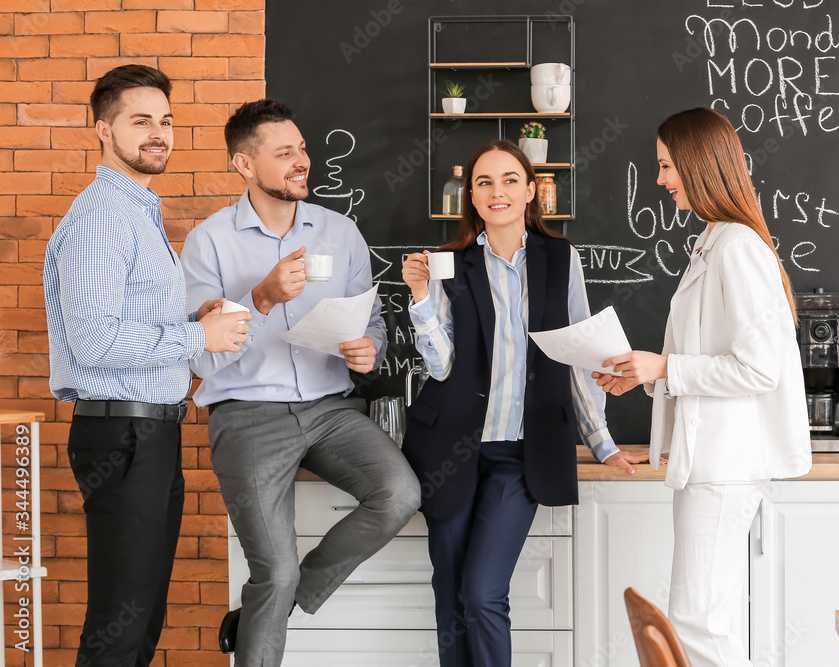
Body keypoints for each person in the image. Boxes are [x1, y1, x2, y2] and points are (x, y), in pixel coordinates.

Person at [180, 99, 421, 666]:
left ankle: (282, 598)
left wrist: (370, 349)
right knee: (273, 569)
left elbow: (372, 322)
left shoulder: (341, 234)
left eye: (303, 149)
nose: (301, 162)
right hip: (246, 416)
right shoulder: (208, 242)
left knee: (399, 495)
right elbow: (199, 361)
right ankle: (279, 591)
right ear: (244, 164)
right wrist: (260, 298)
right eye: (284, 153)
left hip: (332, 409)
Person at [401, 139, 653, 666]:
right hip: (450, 446)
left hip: (522, 454)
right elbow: (442, 364)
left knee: (483, 591)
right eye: (485, 182)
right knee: (449, 593)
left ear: (531, 190)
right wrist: (423, 301)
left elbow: (580, 356)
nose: (498, 192)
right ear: (470, 195)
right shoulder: (450, 263)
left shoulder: (559, 258)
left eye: (510, 180)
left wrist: (602, 443)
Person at [43, 64, 247, 667]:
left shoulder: (138, 209)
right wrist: (195, 335)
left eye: (165, 121)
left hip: (148, 429)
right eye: (141, 121)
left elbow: (127, 323)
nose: (159, 134)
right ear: (101, 129)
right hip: (122, 431)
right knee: (120, 625)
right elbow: (93, 342)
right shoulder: (104, 212)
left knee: (141, 619)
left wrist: (195, 320)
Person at [593, 107, 812, 667]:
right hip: (709, 462)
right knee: (704, 620)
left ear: (699, 165)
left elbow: (759, 369)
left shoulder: (737, 248)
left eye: (667, 166)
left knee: (700, 626)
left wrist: (663, 369)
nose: (661, 180)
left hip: (724, 466)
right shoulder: (715, 240)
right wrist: (643, 376)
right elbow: (702, 355)